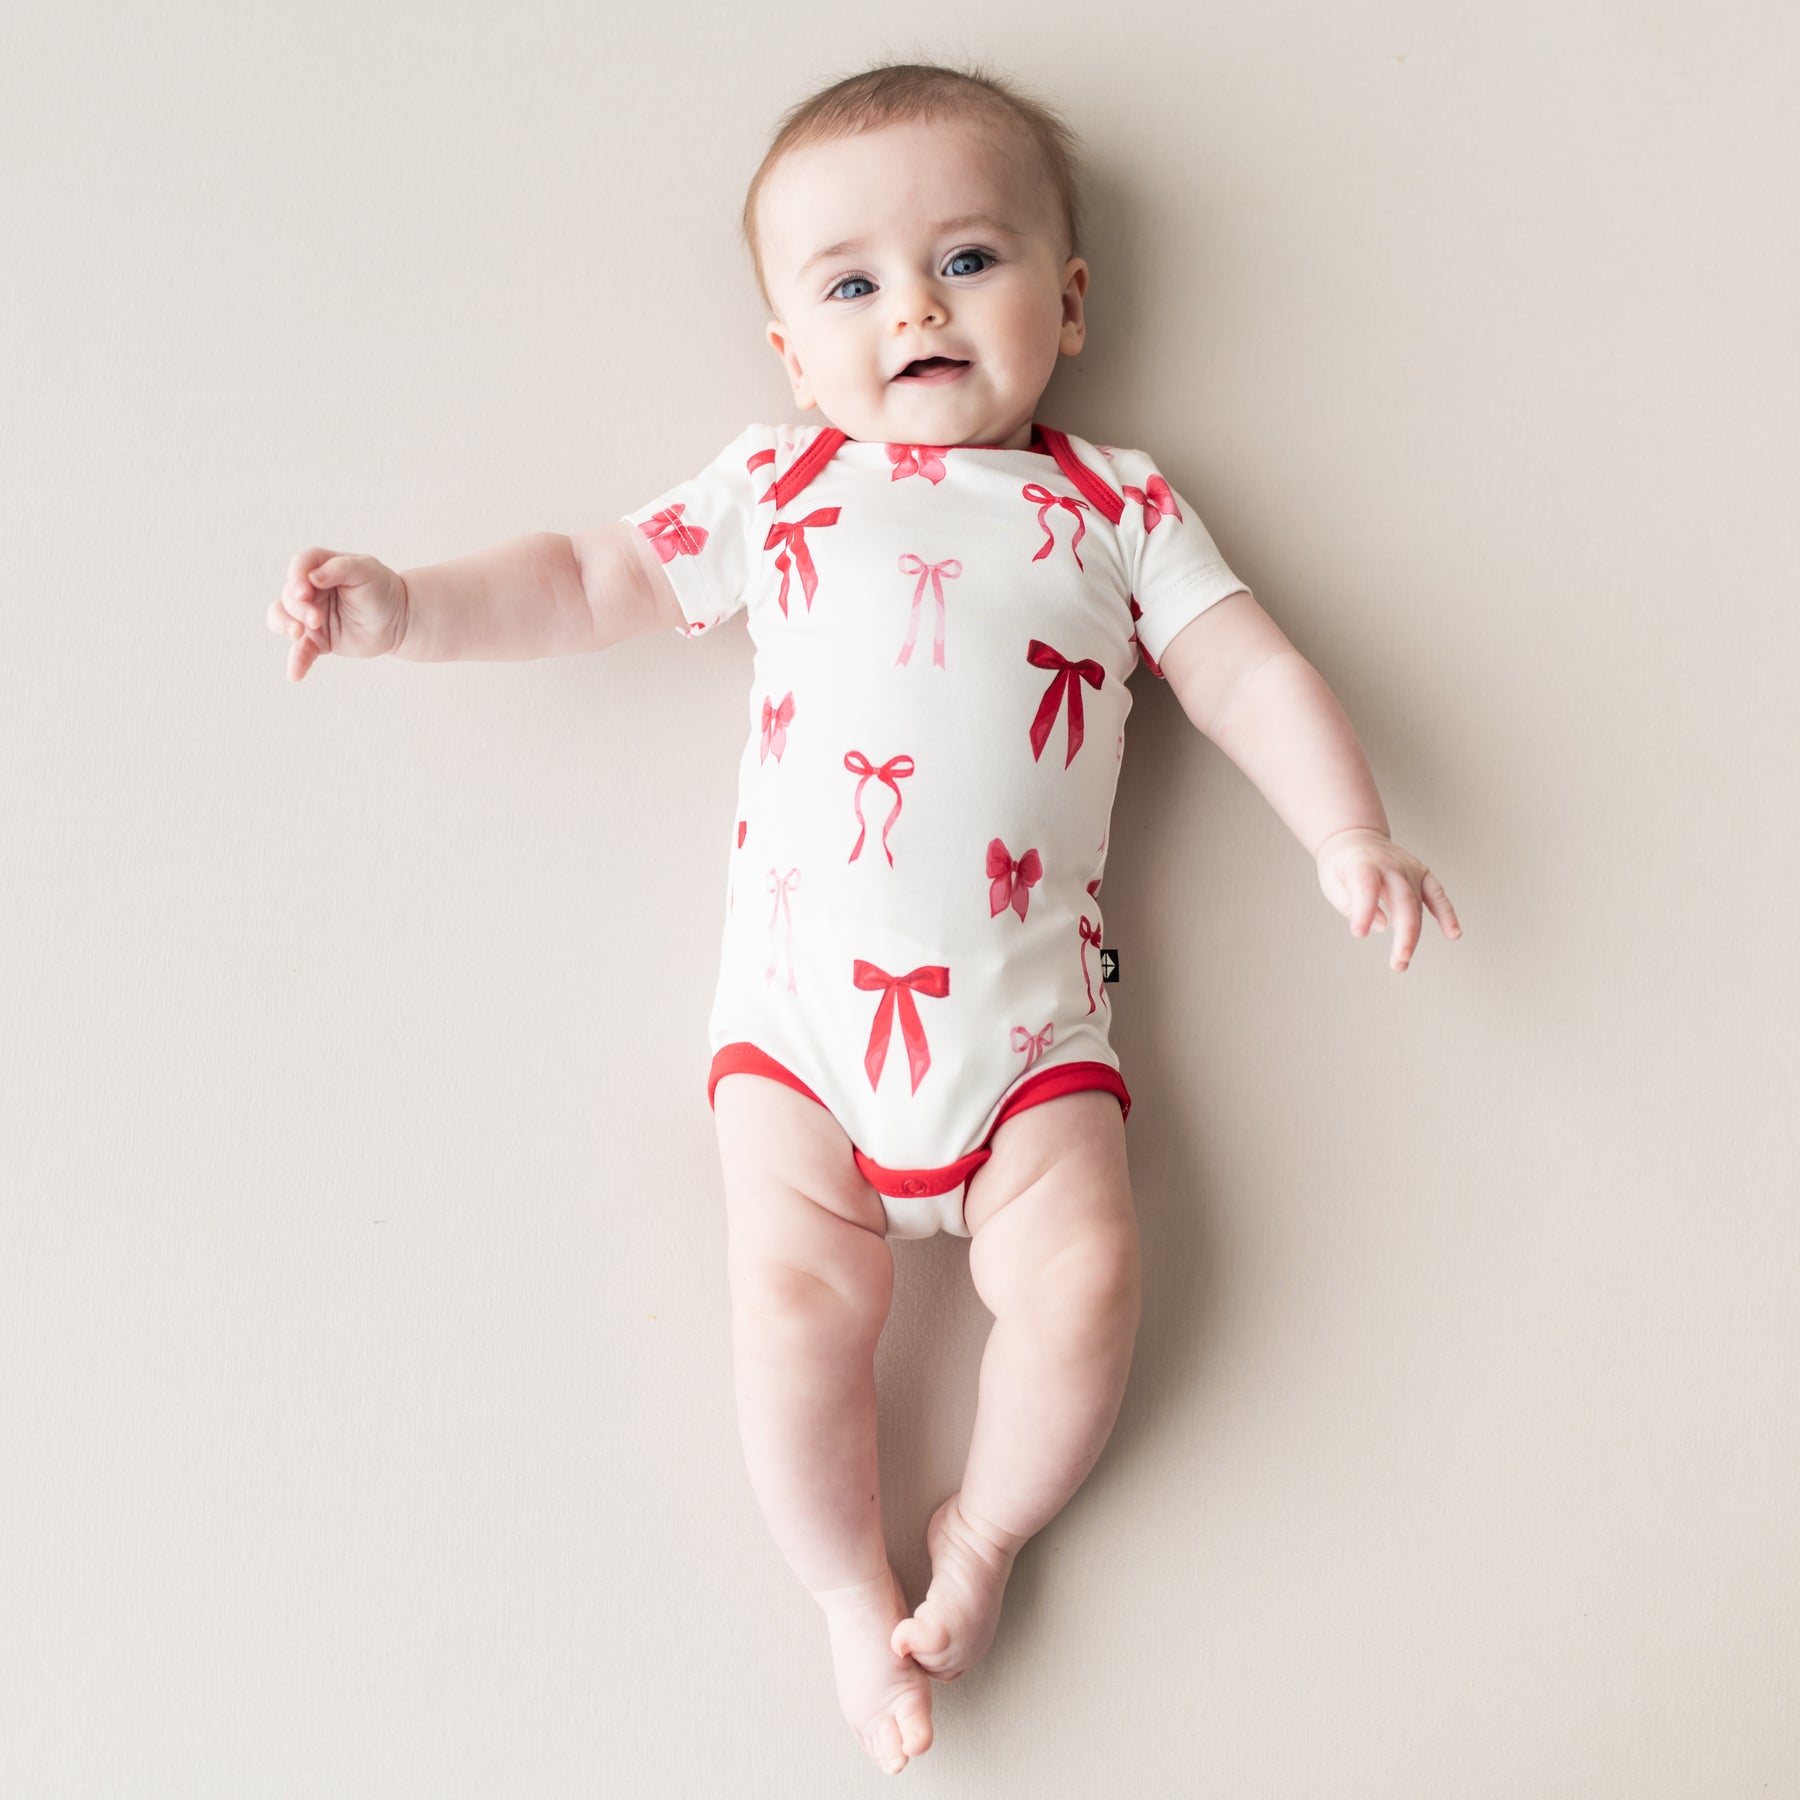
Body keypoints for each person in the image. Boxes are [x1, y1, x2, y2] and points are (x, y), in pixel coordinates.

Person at [268, 59, 1461, 1777]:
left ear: (1065, 299)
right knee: (790, 1314)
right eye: (851, 284)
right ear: (789, 349)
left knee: (1092, 1280)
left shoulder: (1118, 506)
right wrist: (404, 611)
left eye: (967, 260)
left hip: (1031, 1038)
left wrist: (1347, 829)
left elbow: (1246, 671)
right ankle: (847, 1594)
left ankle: (979, 1539)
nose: (913, 305)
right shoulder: (782, 483)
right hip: (804, 1040)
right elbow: (588, 576)